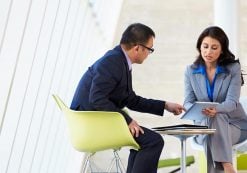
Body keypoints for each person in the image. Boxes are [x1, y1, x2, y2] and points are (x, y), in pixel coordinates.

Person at [70, 23, 185, 173]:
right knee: (153, 141)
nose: (149, 54)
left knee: (145, 141)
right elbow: (97, 99)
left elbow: (131, 100)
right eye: (150, 50)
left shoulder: (119, 61)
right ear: (137, 47)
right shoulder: (113, 62)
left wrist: (165, 105)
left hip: (94, 121)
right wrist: (128, 120)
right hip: (90, 125)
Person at [183, 26, 247, 173]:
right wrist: (200, 110)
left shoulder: (233, 69)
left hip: (235, 127)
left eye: (214, 47)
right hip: (204, 127)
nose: (208, 52)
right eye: (205, 46)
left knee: (215, 120)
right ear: (200, 47)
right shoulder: (190, 71)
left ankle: (225, 166)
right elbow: (187, 101)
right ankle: (227, 166)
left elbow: (231, 103)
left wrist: (215, 110)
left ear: (222, 49)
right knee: (210, 126)